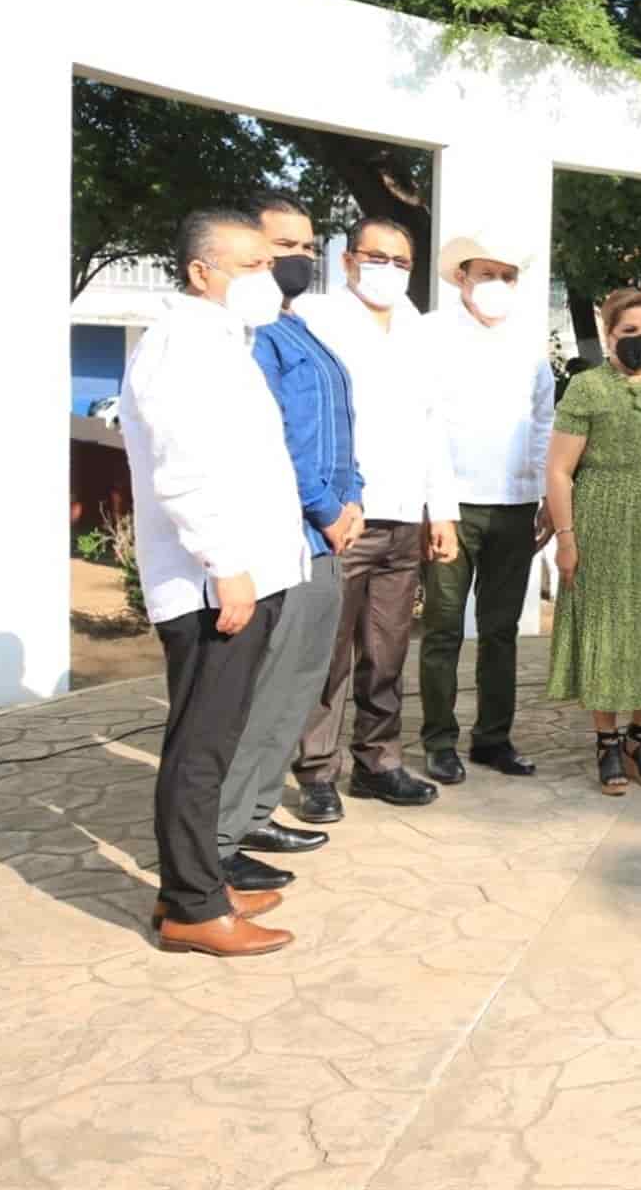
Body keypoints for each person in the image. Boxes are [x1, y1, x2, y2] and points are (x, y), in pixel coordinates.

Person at [122, 209, 310, 956]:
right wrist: (225, 569)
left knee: (215, 739)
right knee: (199, 747)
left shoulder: (222, 341)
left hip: (246, 573)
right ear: (203, 271)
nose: (271, 277)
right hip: (215, 583)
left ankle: (192, 885)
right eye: (254, 264)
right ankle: (195, 908)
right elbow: (183, 470)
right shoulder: (179, 347)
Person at [208, 192, 363, 891]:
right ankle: (220, 832)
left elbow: (336, 425)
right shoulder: (250, 339)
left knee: (299, 684)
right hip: (287, 534)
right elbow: (275, 440)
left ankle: (257, 808)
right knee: (265, 691)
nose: (299, 259)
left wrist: (352, 493)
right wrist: (328, 507)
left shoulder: (296, 326)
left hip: (325, 535)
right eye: (284, 249)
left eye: (308, 247)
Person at [292, 218, 449, 815]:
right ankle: (315, 772)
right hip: (344, 518)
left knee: (387, 653)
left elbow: (435, 426)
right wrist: (327, 505)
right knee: (329, 654)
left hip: (407, 515)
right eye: (376, 257)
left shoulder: (420, 331)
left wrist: (444, 512)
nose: (388, 270)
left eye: (401, 261)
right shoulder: (316, 320)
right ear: (349, 260)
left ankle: (378, 762)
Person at [545, 289, 641, 793]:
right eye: (629, 332)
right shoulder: (586, 389)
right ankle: (606, 741)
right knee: (606, 631)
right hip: (601, 520)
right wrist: (565, 538)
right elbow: (559, 470)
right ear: (608, 333)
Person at [418, 235, 557, 785]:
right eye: (485, 274)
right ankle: (439, 742)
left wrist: (543, 493)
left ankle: (493, 739)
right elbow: (425, 423)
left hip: (515, 509)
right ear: (461, 278)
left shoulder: (528, 347)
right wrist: (439, 510)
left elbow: (543, 419)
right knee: (444, 629)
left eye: (506, 275)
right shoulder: (431, 336)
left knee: (502, 631)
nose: (496, 285)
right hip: (454, 509)